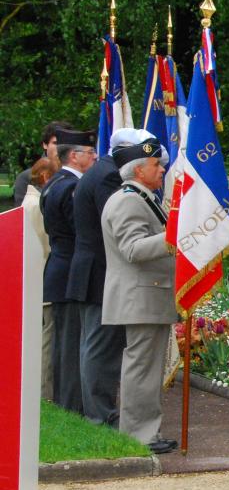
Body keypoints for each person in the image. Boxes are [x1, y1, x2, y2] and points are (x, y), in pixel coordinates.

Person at [68, 128, 155, 426]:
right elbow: (120, 231)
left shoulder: (100, 171)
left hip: (93, 267)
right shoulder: (110, 178)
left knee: (93, 345)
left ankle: (95, 410)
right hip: (102, 270)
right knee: (100, 347)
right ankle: (100, 415)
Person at [101, 138, 177, 453]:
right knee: (142, 368)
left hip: (148, 296)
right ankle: (138, 435)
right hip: (141, 297)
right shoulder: (128, 200)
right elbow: (132, 249)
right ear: (138, 169)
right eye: (156, 165)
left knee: (146, 368)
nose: (162, 169)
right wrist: (172, 235)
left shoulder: (141, 197)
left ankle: (146, 431)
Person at [40, 127, 97, 412]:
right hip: (70, 274)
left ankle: (65, 401)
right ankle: (72, 405)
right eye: (90, 152)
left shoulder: (53, 183)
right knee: (71, 346)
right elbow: (82, 233)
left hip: (59, 271)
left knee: (64, 345)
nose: (95, 157)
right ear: (74, 156)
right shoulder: (72, 188)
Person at [22, 158, 56, 401]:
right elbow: (42, 249)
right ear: (44, 176)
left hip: (40, 282)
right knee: (45, 343)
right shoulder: (35, 205)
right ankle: (42, 395)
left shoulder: (32, 201)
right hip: (43, 282)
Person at [11, 120, 70, 207]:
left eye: (65, 143)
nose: (60, 148)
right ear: (45, 145)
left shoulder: (79, 174)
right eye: (56, 143)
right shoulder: (27, 177)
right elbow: (23, 215)